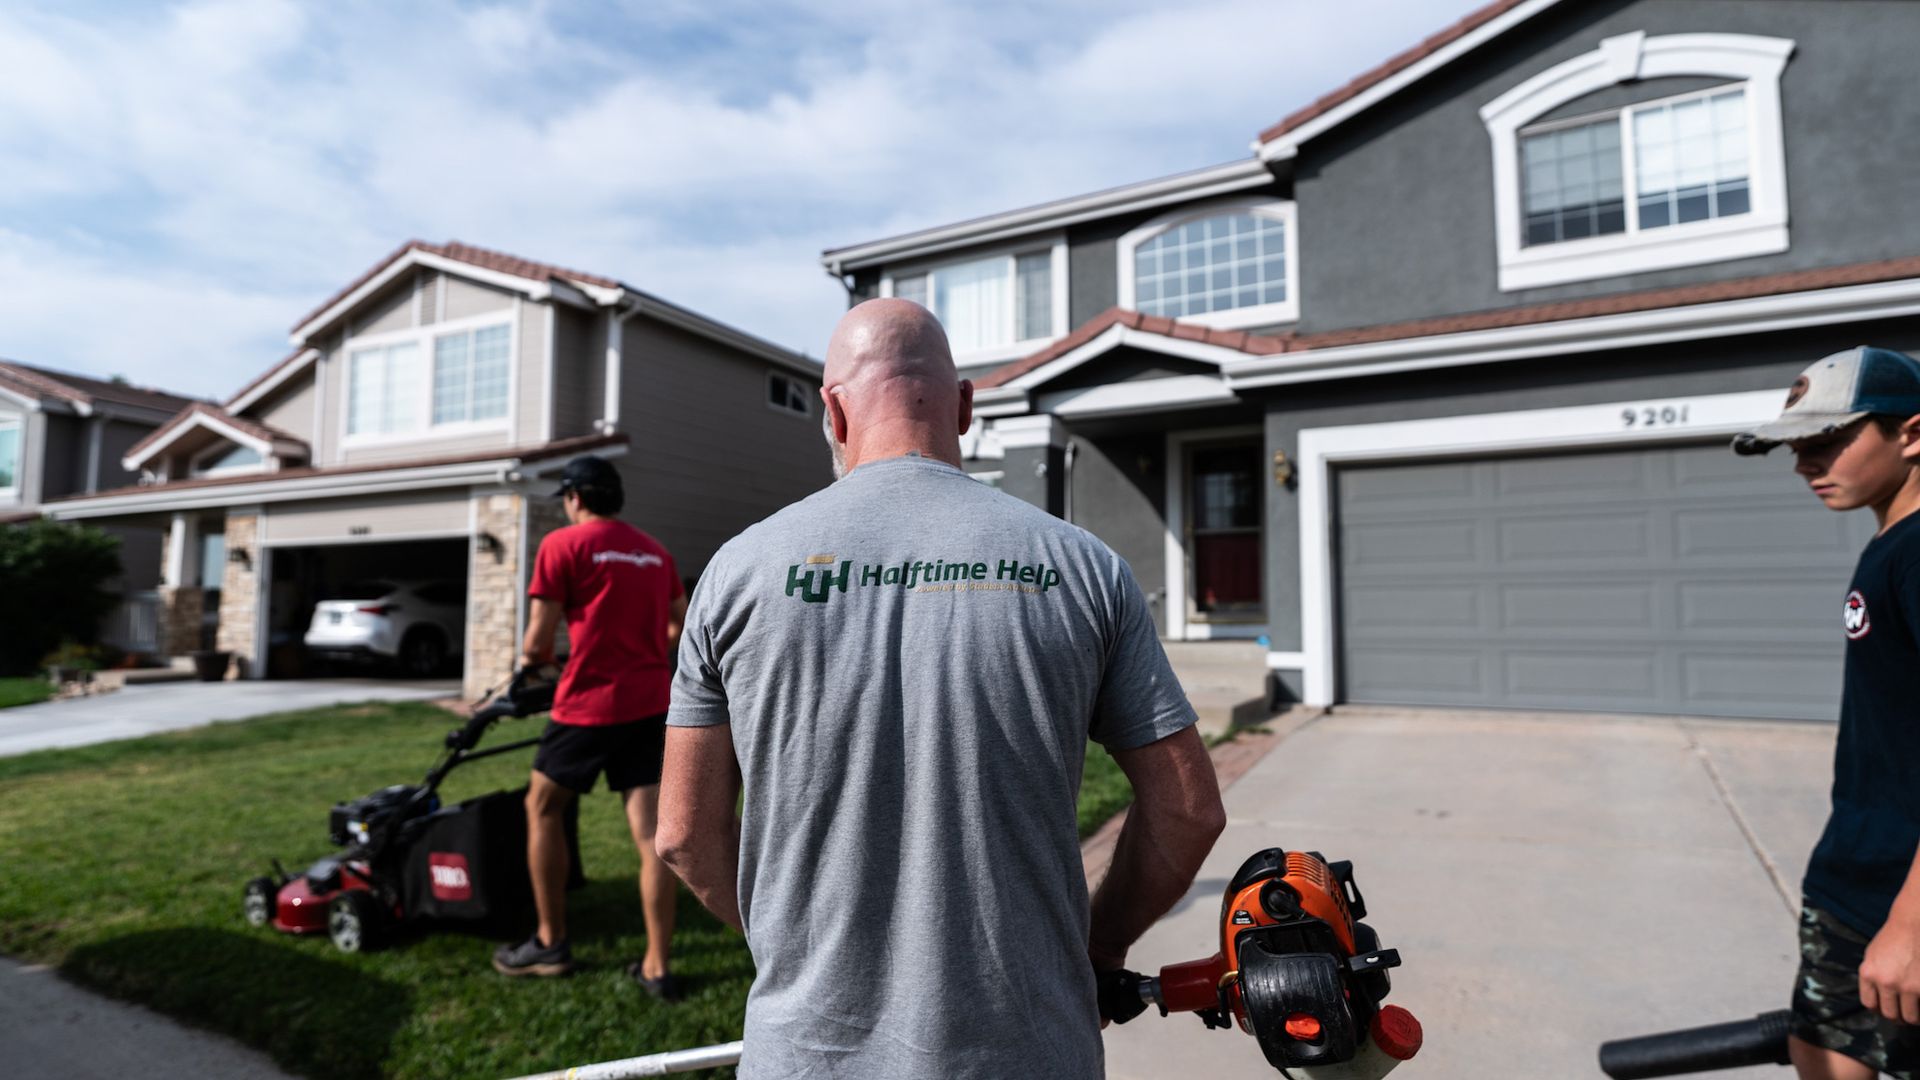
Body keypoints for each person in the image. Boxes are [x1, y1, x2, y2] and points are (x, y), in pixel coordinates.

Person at [655, 298, 1227, 1078]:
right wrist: (1099, 947)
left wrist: (792, 946)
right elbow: (1188, 808)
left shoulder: (735, 573)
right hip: (1029, 1049)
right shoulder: (1082, 566)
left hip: (808, 1053)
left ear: (832, 412)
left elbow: (683, 835)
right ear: (963, 406)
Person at [1733, 345, 1920, 1079]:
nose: (1805, 464)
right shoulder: (1893, 541)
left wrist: (1910, 923)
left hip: (1894, 895)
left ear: (1911, 433)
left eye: (1827, 441)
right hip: (1860, 875)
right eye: (1796, 447)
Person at [491, 454, 689, 1001]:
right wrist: (645, 649)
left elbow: (535, 644)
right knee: (651, 839)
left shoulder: (563, 545)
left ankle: (551, 942)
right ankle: (657, 966)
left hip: (584, 707)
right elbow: (680, 621)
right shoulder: (655, 551)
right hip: (649, 703)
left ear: (575, 497)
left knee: (543, 808)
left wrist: (553, 666)